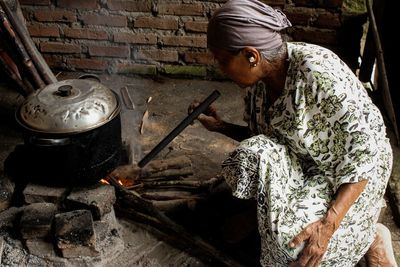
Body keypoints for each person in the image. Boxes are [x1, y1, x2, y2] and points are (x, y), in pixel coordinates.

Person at [189, 0, 396, 266]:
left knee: (296, 251)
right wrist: (220, 126)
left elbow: (365, 157)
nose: (219, 68)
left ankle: (371, 236)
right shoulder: (258, 84)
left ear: (252, 56)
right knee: (250, 155)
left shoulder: (317, 74)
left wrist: (327, 226)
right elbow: (266, 138)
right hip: (307, 163)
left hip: (353, 176)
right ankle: (266, 218)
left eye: (221, 60)